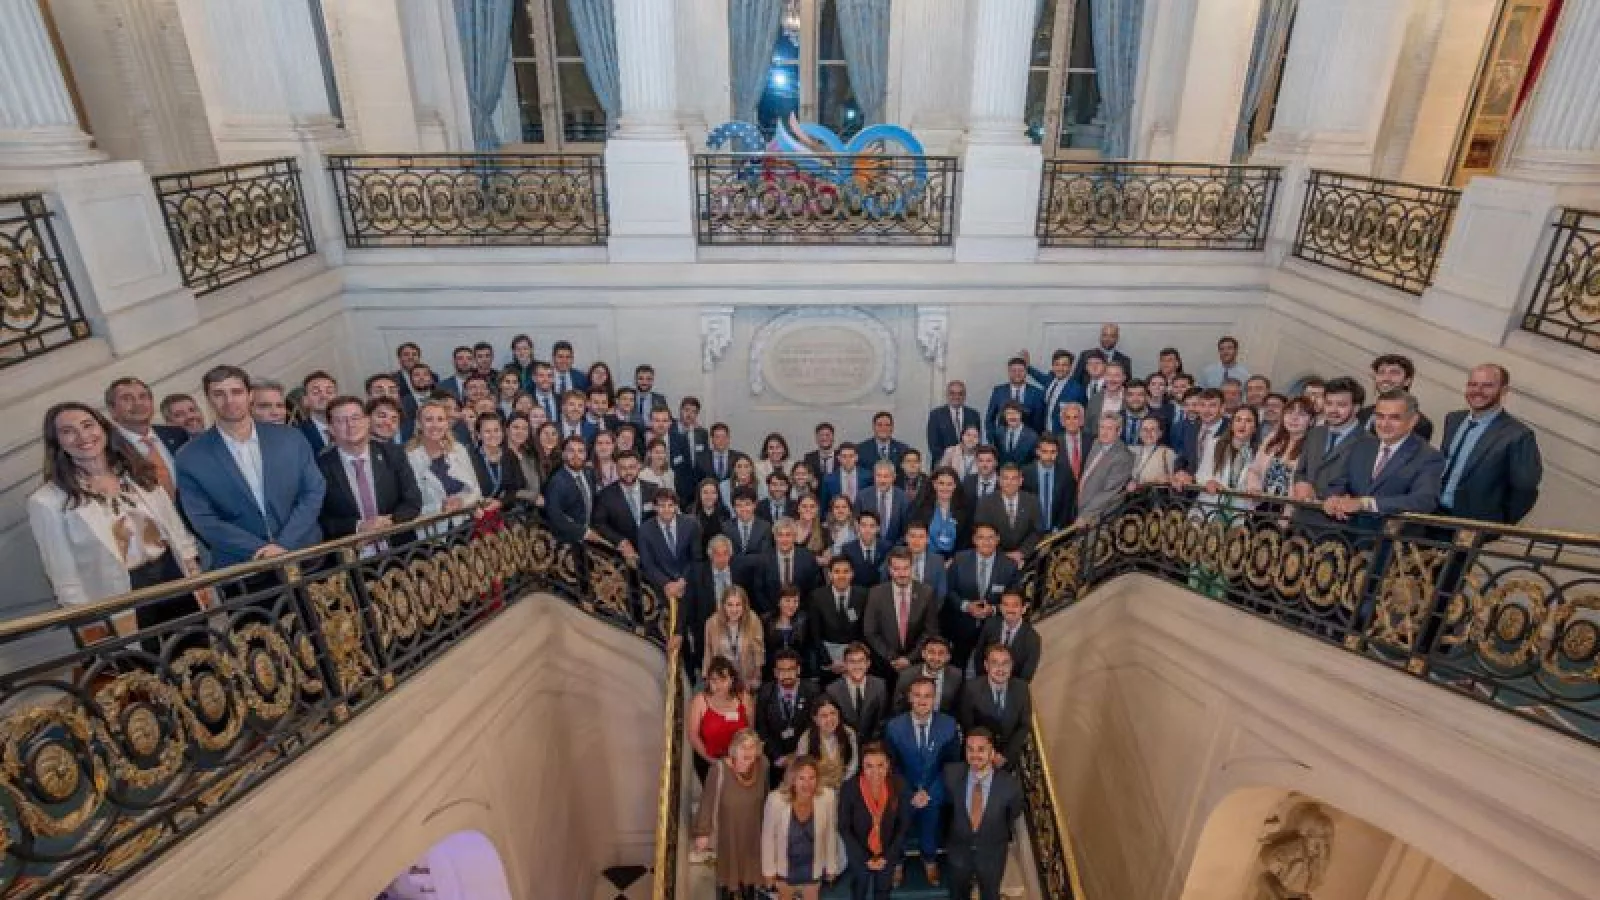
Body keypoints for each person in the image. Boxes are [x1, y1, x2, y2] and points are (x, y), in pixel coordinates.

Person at [29, 403, 205, 636]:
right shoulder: (47, 501)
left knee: (195, 651)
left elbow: (176, 530)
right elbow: (62, 572)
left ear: (103, 428)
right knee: (141, 658)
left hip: (172, 575)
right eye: (68, 431)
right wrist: (84, 619)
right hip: (117, 594)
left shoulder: (137, 473)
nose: (83, 436)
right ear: (57, 442)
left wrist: (194, 575)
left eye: (88, 425)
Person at [176, 366, 325, 569]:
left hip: (304, 554)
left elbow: (313, 491)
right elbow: (203, 519)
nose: (229, 400)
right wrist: (259, 550)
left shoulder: (290, 438)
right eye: (219, 394)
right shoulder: (190, 456)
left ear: (250, 395)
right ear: (208, 399)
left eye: (236, 392)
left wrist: (284, 544)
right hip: (244, 566)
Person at [1323, 390, 1444, 529]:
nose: (1385, 424)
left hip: (1391, 538)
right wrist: (1334, 499)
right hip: (1346, 534)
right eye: (1380, 416)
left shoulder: (1428, 456)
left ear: (1413, 421)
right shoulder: (1362, 445)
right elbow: (1339, 483)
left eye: (1394, 418)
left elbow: (1424, 500)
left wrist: (1366, 504)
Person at [1437, 364, 1542, 523]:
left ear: (1504, 390)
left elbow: (1526, 489)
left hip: (1473, 525)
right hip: (1431, 515)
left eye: (1487, 386)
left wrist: (1497, 524)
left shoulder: (1518, 435)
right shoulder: (1453, 419)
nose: (1478, 391)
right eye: (1473, 384)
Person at [883, 678, 961, 887]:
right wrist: (909, 793)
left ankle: (929, 861)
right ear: (910, 697)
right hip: (903, 790)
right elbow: (891, 765)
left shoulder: (949, 725)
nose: (922, 700)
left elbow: (951, 764)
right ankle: (897, 863)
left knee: (930, 828)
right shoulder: (894, 727)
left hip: (934, 791)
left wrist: (930, 793)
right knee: (899, 829)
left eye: (927, 696)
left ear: (934, 698)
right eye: (917, 695)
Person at [316, 396, 422, 545]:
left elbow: (413, 501)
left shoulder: (393, 454)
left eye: (355, 418)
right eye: (341, 421)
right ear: (331, 429)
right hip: (351, 552)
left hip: (400, 546)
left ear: (367, 422)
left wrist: (388, 523)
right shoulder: (320, 466)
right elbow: (321, 519)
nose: (350, 425)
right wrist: (359, 527)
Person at [942, 727, 1024, 900]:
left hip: (992, 853)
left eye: (981, 749)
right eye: (970, 749)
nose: (975, 755)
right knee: (957, 894)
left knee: (990, 894)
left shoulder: (1009, 785)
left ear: (992, 752)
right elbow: (947, 806)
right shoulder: (951, 774)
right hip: (959, 851)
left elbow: (1013, 813)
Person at [693, 728, 768, 899]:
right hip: (728, 833)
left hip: (753, 832)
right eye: (743, 747)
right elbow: (707, 801)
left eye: (752, 747)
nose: (748, 751)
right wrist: (703, 832)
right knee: (728, 879)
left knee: (750, 877)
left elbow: (765, 795)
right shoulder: (718, 769)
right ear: (734, 749)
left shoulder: (763, 765)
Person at [760, 755, 844, 900]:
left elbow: (830, 834)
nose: (807, 784)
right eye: (802, 778)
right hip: (785, 866)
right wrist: (768, 872)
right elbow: (768, 839)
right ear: (792, 780)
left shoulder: (828, 797)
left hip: (812, 866)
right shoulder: (775, 800)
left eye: (812, 778)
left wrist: (831, 866)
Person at [838, 742, 911, 900]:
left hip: (888, 851)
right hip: (859, 852)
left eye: (880, 765)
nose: (875, 772)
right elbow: (844, 827)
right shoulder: (849, 788)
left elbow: (903, 825)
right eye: (869, 766)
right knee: (859, 888)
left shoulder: (899, 785)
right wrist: (865, 858)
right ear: (862, 766)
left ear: (888, 765)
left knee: (883, 891)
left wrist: (888, 856)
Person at [946, 524, 1017, 672]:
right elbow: (949, 591)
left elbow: (1014, 599)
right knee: (957, 669)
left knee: (984, 671)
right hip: (961, 628)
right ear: (974, 540)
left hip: (992, 630)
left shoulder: (1009, 566)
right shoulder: (959, 559)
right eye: (981, 537)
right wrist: (966, 606)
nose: (986, 542)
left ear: (997, 539)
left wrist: (993, 609)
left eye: (990, 538)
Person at [406, 399, 485, 531]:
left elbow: (476, 490)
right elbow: (411, 507)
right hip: (434, 533)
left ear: (447, 424)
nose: (435, 425)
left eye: (440, 419)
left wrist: (461, 501)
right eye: (429, 419)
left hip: (468, 526)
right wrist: (441, 506)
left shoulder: (458, 449)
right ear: (419, 424)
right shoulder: (409, 459)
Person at [104, 377, 188, 500]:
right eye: (127, 398)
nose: (138, 403)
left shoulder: (177, 434)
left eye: (143, 396)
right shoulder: (109, 451)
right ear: (112, 410)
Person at [1292, 377, 1371, 507]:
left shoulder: (1368, 442)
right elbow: (1301, 471)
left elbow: (1357, 487)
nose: (1333, 410)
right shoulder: (1314, 433)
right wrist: (1300, 483)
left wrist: (1316, 494)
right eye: (1328, 403)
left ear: (1356, 408)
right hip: (1302, 513)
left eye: (1341, 405)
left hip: (1338, 516)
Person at [863, 549, 939, 675]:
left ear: (912, 568)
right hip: (885, 663)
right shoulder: (876, 593)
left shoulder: (927, 593)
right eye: (896, 569)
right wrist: (891, 657)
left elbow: (930, 631)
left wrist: (910, 658)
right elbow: (870, 631)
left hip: (916, 663)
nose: (902, 574)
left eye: (906, 568)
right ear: (889, 570)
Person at [958, 645, 1032, 768]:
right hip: (978, 755)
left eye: (1005, 663)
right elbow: (967, 725)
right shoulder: (971, 689)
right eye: (995, 663)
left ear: (1011, 665)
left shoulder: (1022, 688)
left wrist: (1005, 755)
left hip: (1007, 758)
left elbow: (1024, 725)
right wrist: (988, 753)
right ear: (986, 665)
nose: (1000, 668)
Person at [756, 648, 820, 787]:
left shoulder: (812, 691)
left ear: (798, 670)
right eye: (782, 670)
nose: (786, 674)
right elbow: (762, 730)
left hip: (805, 756)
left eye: (791, 669)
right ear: (775, 672)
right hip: (776, 759)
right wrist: (778, 757)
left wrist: (799, 754)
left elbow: (815, 726)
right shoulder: (765, 693)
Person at [682, 535, 740, 678]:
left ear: (730, 554)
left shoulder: (739, 570)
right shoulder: (696, 573)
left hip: (736, 627)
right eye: (717, 554)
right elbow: (688, 605)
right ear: (710, 555)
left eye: (725, 553)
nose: (722, 558)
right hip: (707, 629)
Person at [689, 655, 753, 781]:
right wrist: (711, 760)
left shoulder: (744, 698)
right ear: (708, 681)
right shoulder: (699, 701)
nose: (718, 685)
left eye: (723, 680)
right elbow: (693, 735)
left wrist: (740, 759)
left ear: (732, 679)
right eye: (714, 680)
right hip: (709, 762)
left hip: (740, 762)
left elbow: (750, 730)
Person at [638, 487, 702, 597]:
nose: (666, 510)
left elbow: (696, 557)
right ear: (655, 507)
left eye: (670, 505)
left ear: (676, 506)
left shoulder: (691, 524)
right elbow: (648, 564)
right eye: (662, 506)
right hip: (661, 588)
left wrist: (682, 582)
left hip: (690, 584)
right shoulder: (645, 530)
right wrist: (667, 584)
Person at [973, 465, 1042, 563]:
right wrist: (1002, 555)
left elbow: (1037, 531)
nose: (1009, 483)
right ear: (999, 480)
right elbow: (981, 533)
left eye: (1014, 479)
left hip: (1026, 559)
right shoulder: (985, 502)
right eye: (1006, 478)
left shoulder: (1032, 501)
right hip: (994, 559)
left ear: (1020, 481)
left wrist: (1022, 552)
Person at [1247, 398, 1313, 500]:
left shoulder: (1313, 446)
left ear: (1311, 421)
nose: (1294, 418)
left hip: (1291, 506)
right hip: (1262, 504)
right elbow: (1254, 470)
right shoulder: (1272, 439)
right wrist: (1254, 488)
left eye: (1301, 414)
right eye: (1289, 413)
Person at [1358, 354, 1434, 442]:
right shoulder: (1363, 413)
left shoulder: (1420, 424)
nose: (1386, 378)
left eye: (1394, 373)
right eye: (1381, 372)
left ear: (1407, 381)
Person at [1075, 414, 1135, 524]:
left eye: (1109, 428)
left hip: (1097, 516)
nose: (1104, 432)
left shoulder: (1123, 456)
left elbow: (1108, 493)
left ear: (1118, 432)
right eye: (1102, 427)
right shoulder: (1096, 443)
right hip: (1080, 504)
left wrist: (1086, 514)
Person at [812, 558, 868, 675]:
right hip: (828, 657)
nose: (841, 576)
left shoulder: (864, 595)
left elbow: (865, 631)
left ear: (852, 574)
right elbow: (815, 635)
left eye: (846, 571)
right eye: (837, 571)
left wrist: (853, 660)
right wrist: (828, 661)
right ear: (830, 574)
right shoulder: (817, 597)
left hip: (856, 658)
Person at [825, 642, 888, 741]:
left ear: (868, 664)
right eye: (852, 662)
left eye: (861, 661)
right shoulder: (832, 690)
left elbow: (882, 719)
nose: (857, 666)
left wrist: (874, 742)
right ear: (845, 664)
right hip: (844, 742)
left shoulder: (880, 685)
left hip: (872, 742)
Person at [592, 450, 650, 559]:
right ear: (616, 469)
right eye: (623, 468)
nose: (628, 472)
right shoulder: (605, 495)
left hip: (653, 551)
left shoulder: (653, 489)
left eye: (632, 467)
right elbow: (599, 523)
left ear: (639, 466)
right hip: (622, 556)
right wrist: (620, 541)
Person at [706, 584, 766, 688]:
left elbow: (759, 651)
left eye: (738, 605)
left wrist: (756, 676)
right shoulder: (712, 623)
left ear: (744, 606)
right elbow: (708, 652)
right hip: (722, 679)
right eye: (730, 605)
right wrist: (708, 679)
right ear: (723, 605)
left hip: (747, 677)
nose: (734, 610)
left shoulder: (753, 620)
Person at [794, 697, 861, 789]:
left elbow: (853, 766)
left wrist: (843, 786)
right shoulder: (805, 739)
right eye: (824, 716)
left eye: (833, 713)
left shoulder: (849, 733)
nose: (830, 719)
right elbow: (803, 771)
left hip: (844, 785)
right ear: (815, 719)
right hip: (817, 788)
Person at [542, 435, 597, 544]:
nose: (576, 455)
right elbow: (555, 515)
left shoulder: (589, 473)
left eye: (580, 451)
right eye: (571, 451)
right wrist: (583, 533)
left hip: (587, 537)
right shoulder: (556, 481)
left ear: (586, 455)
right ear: (563, 454)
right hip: (567, 541)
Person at [978, 591, 1041, 682]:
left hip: (1012, 686)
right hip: (986, 681)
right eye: (1006, 605)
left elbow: (1026, 676)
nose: (1010, 609)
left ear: (1023, 609)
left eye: (1015, 605)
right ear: (1000, 608)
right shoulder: (990, 625)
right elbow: (979, 656)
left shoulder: (1033, 639)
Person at [470, 412, 528, 506]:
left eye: (496, 430)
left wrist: (501, 502)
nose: (493, 435)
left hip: (504, 510)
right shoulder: (471, 457)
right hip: (475, 510)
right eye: (487, 431)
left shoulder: (509, 455)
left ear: (502, 432)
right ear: (479, 435)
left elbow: (516, 487)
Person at [893, 636, 962, 714]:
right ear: (923, 654)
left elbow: (959, 706)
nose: (936, 658)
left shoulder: (957, 676)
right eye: (931, 652)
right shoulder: (907, 675)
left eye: (941, 653)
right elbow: (898, 707)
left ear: (948, 657)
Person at [1023, 435, 1075, 532]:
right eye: (1045, 451)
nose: (1049, 456)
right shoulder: (1026, 473)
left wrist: (1057, 529)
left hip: (1057, 532)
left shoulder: (1066, 474)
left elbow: (1067, 506)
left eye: (1053, 452)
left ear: (1058, 452)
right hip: (1031, 531)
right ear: (1037, 452)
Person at [764, 586, 816, 679]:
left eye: (795, 601)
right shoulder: (766, 620)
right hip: (772, 670)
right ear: (779, 602)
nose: (792, 605)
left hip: (799, 671)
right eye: (787, 601)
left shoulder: (804, 620)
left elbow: (809, 649)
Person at [927, 381, 982, 466]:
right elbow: (933, 445)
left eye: (960, 394)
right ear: (947, 395)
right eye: (952, 393)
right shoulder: (936, 415)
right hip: (943, 465)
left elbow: (977, 442)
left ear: (965, 396)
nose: (956, 397)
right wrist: (948, 462)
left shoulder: (974, 415)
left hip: (969, 465)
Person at [986, 358, 1045, 438]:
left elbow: (1039, 422)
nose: (1017, 373)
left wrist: (1035, 440)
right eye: (1013, 371)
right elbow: (989, 419)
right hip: (1002, 440)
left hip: (1029, 441)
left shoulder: (1037, 393)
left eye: (1021, 370)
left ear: (1026, 372)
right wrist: (992, 438)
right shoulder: (998, 391)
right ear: (1009, 372)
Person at [857, 462, 910, 548]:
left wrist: (896, 547)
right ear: (874, 477)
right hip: (867, 547)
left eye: (886, 476)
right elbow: (856, 524)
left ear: (893, 477)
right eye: (879, 476)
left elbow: (907, 528)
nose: (882, 480)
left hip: (895, 549)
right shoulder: (862, 496)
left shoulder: (903, 498)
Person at [918, 468, 969, 557]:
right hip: (927, 557)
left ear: (955, 486)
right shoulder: (922, 507)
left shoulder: (963, 509)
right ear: (934, 485)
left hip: (955, 559)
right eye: (941, 483)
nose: (945, 488)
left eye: (949, 484)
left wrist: (954, 559)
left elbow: (965, 540)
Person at [902, 521, 949, 605]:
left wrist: (930, 611)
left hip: (929, 609)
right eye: (912, 536)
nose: (916, 541)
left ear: (927, 539)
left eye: (921, 537)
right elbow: (885, 586)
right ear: (906, 538)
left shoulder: (938, 561)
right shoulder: (895, 556)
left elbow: (941, 592)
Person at [1128, 417, 1177, 488]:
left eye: (1153, 429)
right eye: (1145, 429)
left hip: (1154, 493)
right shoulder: (1131, 451)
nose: (1149, 433)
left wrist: (1156, 480)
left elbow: (1173, 480)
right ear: (1140, 433)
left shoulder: (1167, 453)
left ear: (1160, 433)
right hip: (1131, 494)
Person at [725, 488, 775, 557]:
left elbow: (764, 555)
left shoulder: (765, 527)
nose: (743, 509)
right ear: (733, 507)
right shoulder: (726, 527)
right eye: (739, 505)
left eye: (747, 504)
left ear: (754, 505)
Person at [823, 444, 870, 508]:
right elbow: (824, 505)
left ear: (856, 457)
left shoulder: (868, 476)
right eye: (844, 456)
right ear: (839, 458)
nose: (848, 460)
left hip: (862, 513)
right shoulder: (829, 479)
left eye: (851, 456)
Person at [992, 403, 1038, 467]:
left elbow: (1034, 460)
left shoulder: (1032, 436)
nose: (1012, 416)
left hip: (1024, 472)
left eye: (1015, 413)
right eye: (1008, 413)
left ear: (1021, 414)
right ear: (1004, 416)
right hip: (1003, 471)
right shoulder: (998, 433)